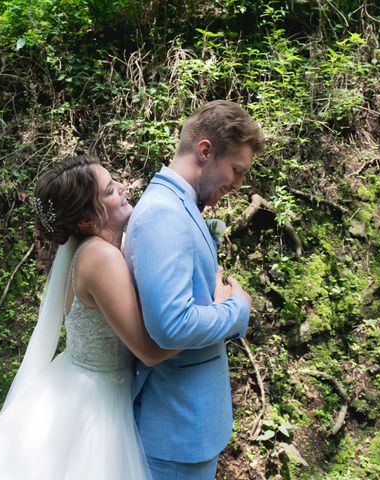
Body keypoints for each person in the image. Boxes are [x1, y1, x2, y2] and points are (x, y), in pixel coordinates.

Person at [0, 155, 235, 479]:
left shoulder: (99, 250)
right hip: (94, 403)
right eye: (110, 190)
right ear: (86, 219)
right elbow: (151, 351)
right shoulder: (100, 258)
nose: (124, 189)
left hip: (82, 383)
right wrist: (219, 312)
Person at [124, 100, 265, 480]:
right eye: (236, 170)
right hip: (175, 431)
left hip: (190, 426)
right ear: (205, 151)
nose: (238, 184)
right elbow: (171, 325)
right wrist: (237, 310)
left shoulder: (179, 206)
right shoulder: (163, 215)